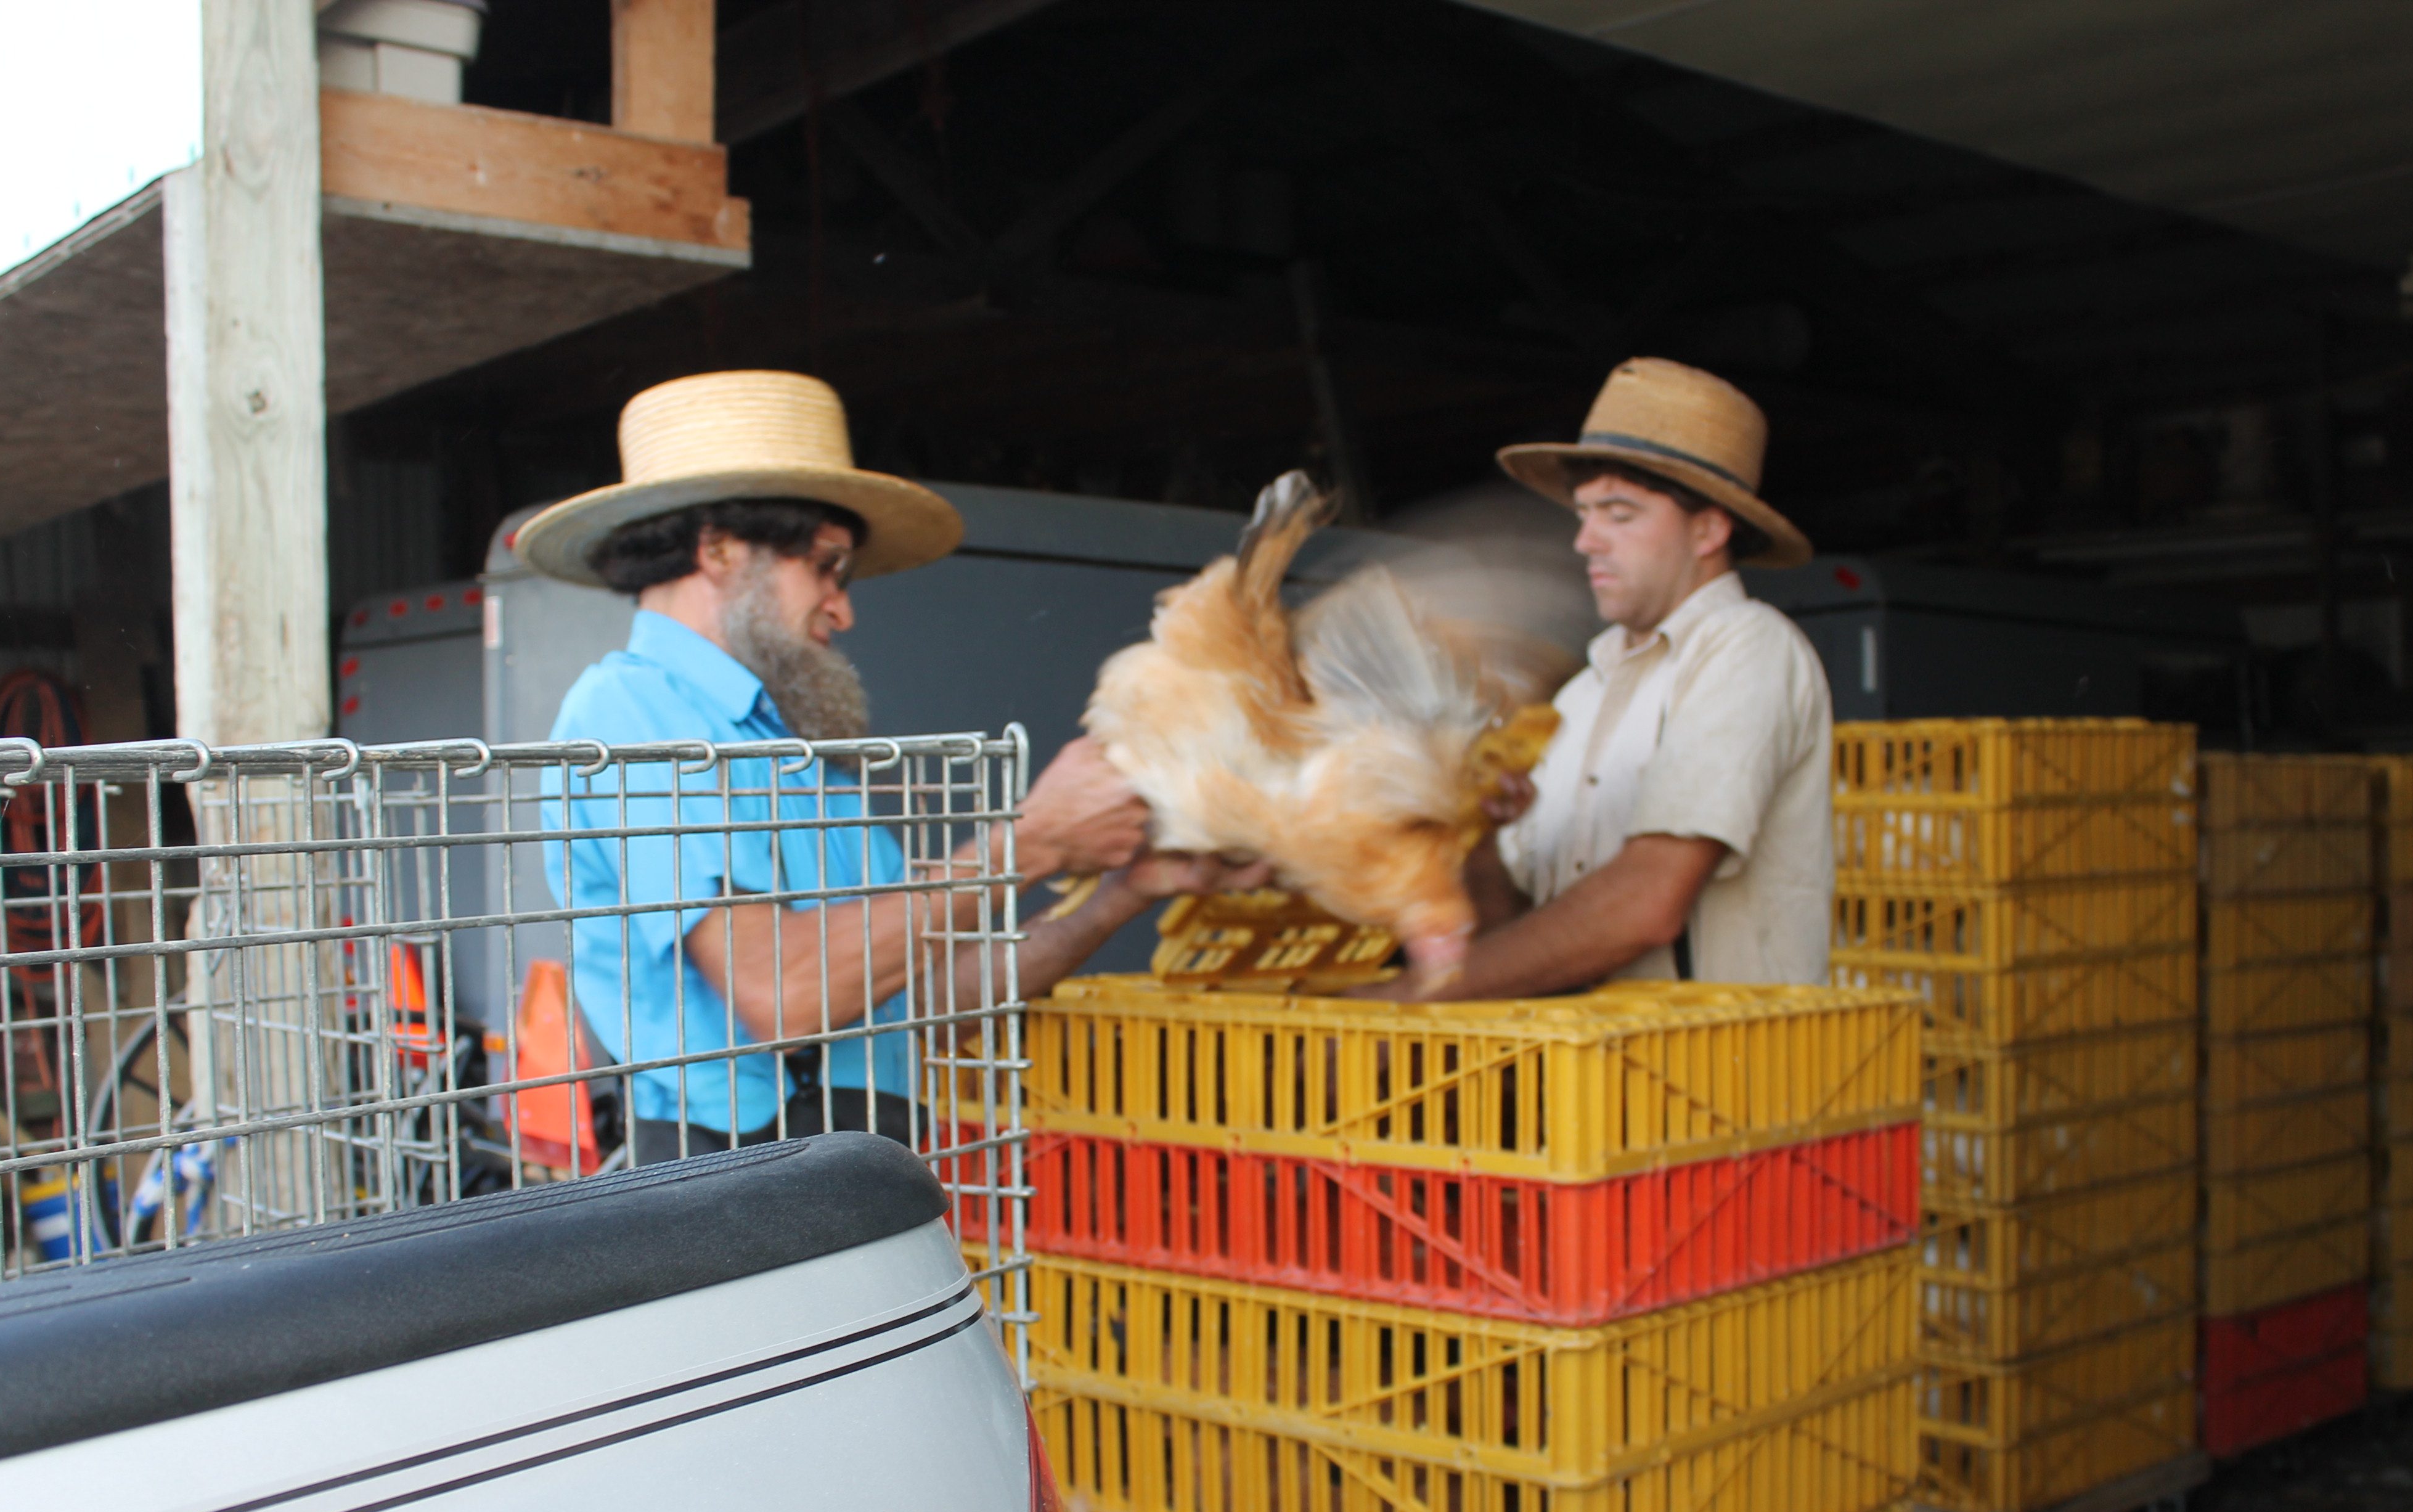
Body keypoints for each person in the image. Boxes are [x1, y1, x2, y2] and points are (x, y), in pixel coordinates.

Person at [516, 370, 1215, 1165]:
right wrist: (1032, 841)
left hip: (858, 1163)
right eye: (828, 568)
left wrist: (1126, 891)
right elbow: (784, 995)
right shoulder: (633, 712)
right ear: (720, 550)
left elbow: (924, 998)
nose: (843, 609)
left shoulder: (789, 745)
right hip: (729, 1175)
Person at [1370, 357, 1834, 999]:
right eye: (1584, 514)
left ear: (1709, 529)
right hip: (1589, 1060)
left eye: (1619, 514)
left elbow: (1648, 904)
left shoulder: (1748, 647)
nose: (1585, 541)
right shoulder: (1580, 697)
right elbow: (1520, 936)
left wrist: (1412, 996)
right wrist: (1475, 836)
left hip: (1716, 1061)